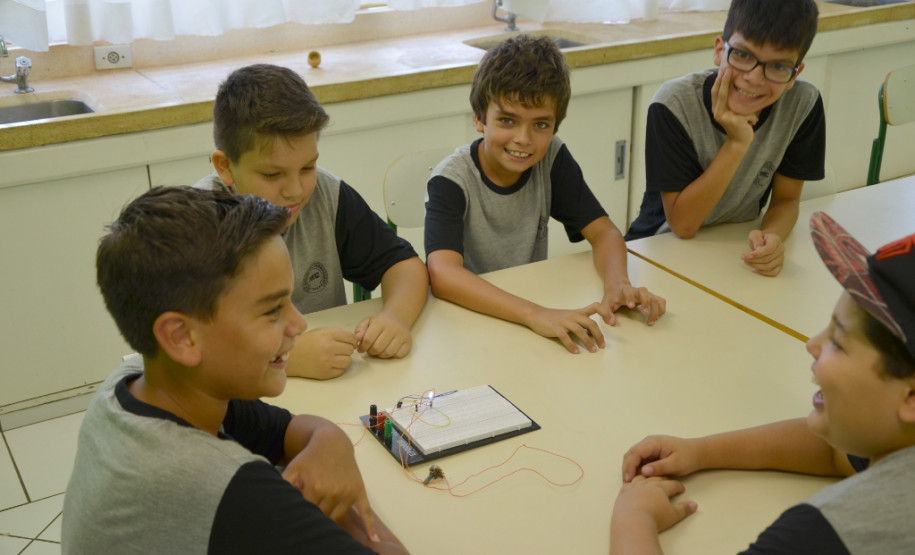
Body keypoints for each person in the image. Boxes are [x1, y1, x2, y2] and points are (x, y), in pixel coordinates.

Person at [61, 187, 407, 554]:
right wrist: (348, 508)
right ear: (181, 338)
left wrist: (332, 443)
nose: (299, 323)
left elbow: (285, 431)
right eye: (272, 309)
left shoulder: (132, 382)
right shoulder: (226, 487)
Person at [610, 210, 915, 554]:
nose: (812, 344)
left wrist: (633, 518)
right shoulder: (892, 437)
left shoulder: (833, 531)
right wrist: (702, 451)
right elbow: (836, 454)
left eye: (839, 342)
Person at [424, 34, 666, 355]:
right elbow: (443, 275)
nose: (523, 139)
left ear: (555, 127)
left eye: (540, 125)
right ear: (480, 119)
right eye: (508, 120)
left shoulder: (551, 157)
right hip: (470, 323)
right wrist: (535, 314)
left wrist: (618, 284)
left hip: (530, 315)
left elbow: (604, 232)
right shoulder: (450, 179)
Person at [200, 63, 429, 379]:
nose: (295, 191)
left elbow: (404, 266)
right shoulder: (194, 225)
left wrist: (395, 318)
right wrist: (283, 360)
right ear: (225, 166)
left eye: (307, 167)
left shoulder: (326, 195)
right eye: (272, 174)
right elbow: (179, 348)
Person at [625, 0, 826, 278]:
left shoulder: (803, 104)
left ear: (795, 74)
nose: (754, 78)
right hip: (658, 249)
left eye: (778, 67)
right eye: (743, 55)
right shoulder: (673, 104)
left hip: (730, 250)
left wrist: (770, 236)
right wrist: (737, 144)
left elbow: (787, 200)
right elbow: (682, 226)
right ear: (720, 50)